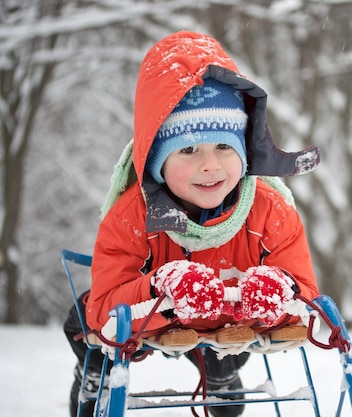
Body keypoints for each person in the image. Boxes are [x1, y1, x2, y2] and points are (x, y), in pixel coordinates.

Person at [63, 30, 321, 417]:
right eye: (188, 149)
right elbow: (105, 307)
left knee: (225, 354)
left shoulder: (270, 210)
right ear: (156, 161)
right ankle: (94, 373)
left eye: (223, 146)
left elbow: (307, 296)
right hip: (157, 316)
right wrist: (158, 285)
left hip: (231, 318)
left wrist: (280, 291)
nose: (210, 165)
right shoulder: (132, 215)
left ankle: (221, 378)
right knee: (83, 321)